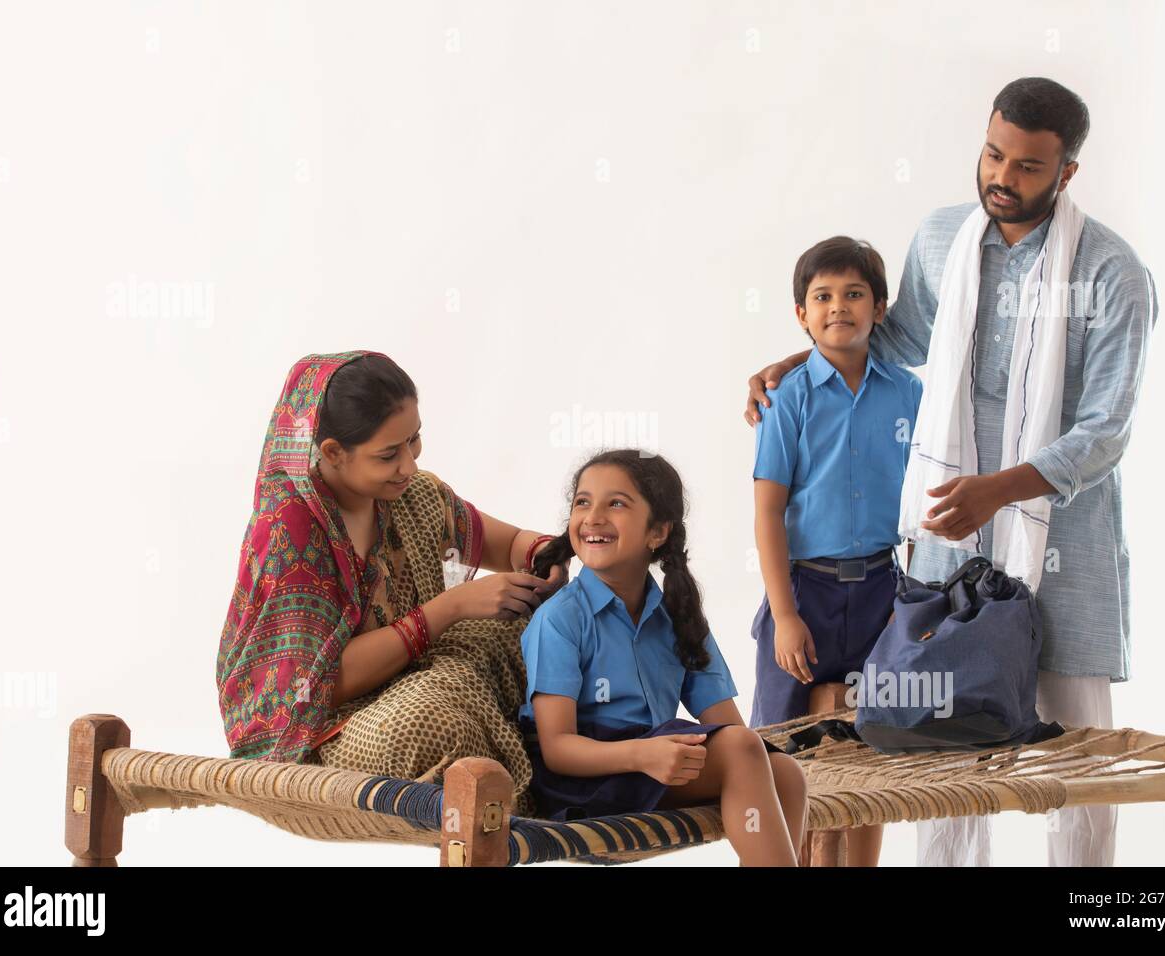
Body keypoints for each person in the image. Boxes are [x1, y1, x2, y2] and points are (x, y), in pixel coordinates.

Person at [743, 78, 1157, 866]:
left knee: (1075, 756)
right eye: (993, 152)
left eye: (1029, 167)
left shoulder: (1112, 274)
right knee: (939, 744)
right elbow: (892, 341)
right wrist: (797, 364)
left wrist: (998, 491)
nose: (1002, 176)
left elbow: (1107, 430)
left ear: (1068, 172)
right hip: (944, 542)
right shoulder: (944, 240)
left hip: (1060, 547)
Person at [215, 350, 569, 815]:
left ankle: (566, 757)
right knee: (426, 723)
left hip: (424, 675)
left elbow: (511, 544)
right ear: (333, 453)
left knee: (534, 629)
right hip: (330, 728)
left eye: (414, 441)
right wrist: (452, 607)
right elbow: (319, 684)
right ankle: (524, 786)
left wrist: (548, 555)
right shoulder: (290, 530)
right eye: (389, 454)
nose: (410, 466)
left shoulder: (411, 494)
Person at [523, 449, 809, 865]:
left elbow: (728, 727)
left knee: (785, 770)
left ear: (657, 532)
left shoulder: (678, 615)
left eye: (616, 503)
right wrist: (643, 755)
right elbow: (557, 749)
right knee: (744, 752)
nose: (593, 516)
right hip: (583, 779)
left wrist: (739, 760)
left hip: (652, 766)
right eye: (582, 502)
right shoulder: (560, 619)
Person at [751, 236, 923, 866]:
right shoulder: (786, 396)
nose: (838, 307)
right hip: (805, 591)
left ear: (880, 307)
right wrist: (785, 614)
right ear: (801, 313)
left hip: (881, 590)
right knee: (781, 751)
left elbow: (922, 503)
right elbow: (768, 512)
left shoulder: (908, 394)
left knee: (869, 740)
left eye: (854, 294)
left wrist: (913, 602)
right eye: (821, 296)